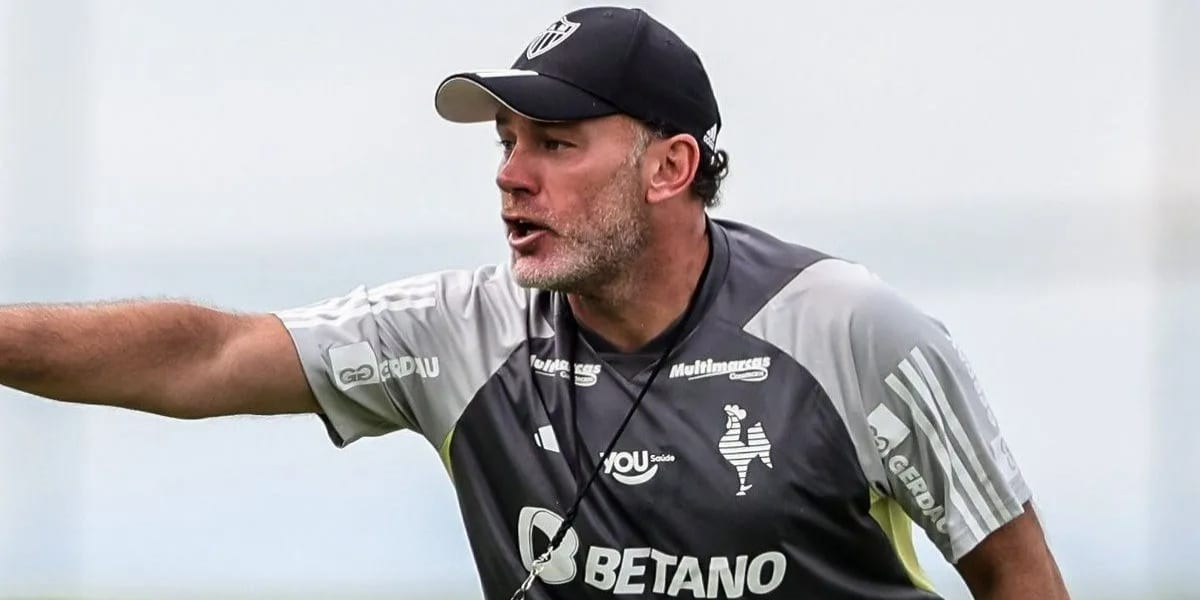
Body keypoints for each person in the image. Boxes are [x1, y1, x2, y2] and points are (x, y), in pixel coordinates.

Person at [0, 6, 1069, 599]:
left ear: (670, 167)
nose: (512, 175)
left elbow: (1016, 572)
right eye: (506, 143)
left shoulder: (849, 328)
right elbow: (205, 355)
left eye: (555, 144)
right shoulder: (455, 333)